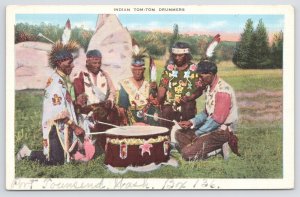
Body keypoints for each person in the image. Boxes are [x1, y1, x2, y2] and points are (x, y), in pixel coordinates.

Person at [17, 41, 95, 164]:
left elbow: (63, 105)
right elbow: (58, 111)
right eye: (70, 63)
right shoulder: (55, 84)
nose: (73, 65)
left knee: (64, 158)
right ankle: (26, 152)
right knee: (56, 161)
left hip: (61, 125)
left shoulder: (61, 80)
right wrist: (75, 127)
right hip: (54, 127)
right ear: (59, 63)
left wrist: (75, 103)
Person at [175, 60, 240, 161]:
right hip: (212, 127)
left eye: (201, 76)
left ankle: (218, 149)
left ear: (210, 74)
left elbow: (217, 120)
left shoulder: (223, 91)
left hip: (222, 132)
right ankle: (197, 147)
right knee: (180, 133)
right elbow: (206, 112)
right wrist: (191, 122)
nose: (199, 80)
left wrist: (198, 133)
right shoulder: (210, 87)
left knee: (187, 154)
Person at [73, 49, 118, 150]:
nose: (97, 65)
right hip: (87, 113)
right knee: (87, 147)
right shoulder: (80, 76)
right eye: (94, 63)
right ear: (87, 62)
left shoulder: (105, 75)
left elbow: (112, 92)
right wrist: (83, 100)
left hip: (104, 111)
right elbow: (79, 99)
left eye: (99, 63)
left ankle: (107, 141)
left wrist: (110, 101)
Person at [157, 42, 203, 129]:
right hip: (169, 105)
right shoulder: (169, 68)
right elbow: (162, 88)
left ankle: (187, 136)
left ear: (186, 55)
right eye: (175, 55)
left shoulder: (194, 69)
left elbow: (199, 90)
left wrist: (190, 97)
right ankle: (167, 138)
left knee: (188, 107)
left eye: (180, 55)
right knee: (166, 112)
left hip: (187, 105)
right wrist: (158, 101)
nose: (177, 58)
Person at [118, 50, 159, 126]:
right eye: (135, 70)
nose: (137, 72)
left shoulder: (149, 85)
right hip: (132, 119)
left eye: (140, 70)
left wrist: (155, 89)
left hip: (147, 118)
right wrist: (126, 120)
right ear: (132, 70)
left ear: (144, 70)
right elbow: (122, 108)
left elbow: (155, 104)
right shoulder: (125, 84)